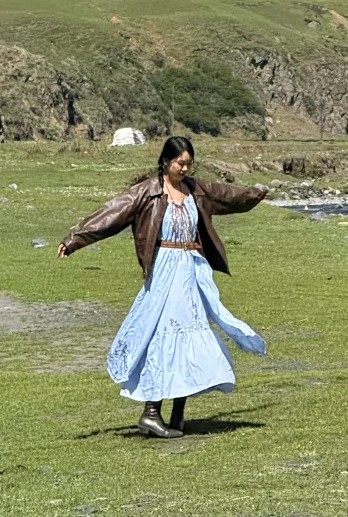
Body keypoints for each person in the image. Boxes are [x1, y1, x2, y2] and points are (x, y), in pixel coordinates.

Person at [58, 135, 268, 438]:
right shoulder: (148, 193)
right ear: (166, 162)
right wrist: (75, 240)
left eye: (188, 164)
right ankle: (151, 413)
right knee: (163, 338)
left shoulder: (196, 190)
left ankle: (178, 414)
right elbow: (111, 214)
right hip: (165, 273)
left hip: (192, 272)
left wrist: (255, 194)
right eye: (180, 163)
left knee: (189, 338)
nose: (184, 168)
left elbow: (229, 195)